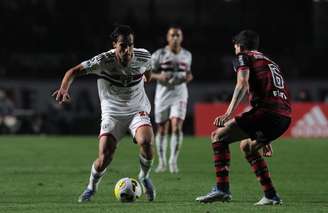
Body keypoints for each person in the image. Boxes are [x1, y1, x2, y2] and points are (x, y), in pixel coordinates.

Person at [52, 25, 156, 202]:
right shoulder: (102, 61)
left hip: (136, 110)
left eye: (130, 44)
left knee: (146, 141)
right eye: (123, 45)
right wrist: (63, 88)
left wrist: (146, 77)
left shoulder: (144, 55)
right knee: (105, 157)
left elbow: (148, 72)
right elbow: (73, 71)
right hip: (112, 113)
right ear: (115, 44)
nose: (128, 49)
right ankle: (91, 188)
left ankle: (144, 177)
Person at [195, 30, 291, 205]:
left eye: (235, 45)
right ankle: (270, 195)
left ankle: (222, 189)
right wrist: (265, 136)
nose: (234, 49)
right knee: (248, 146)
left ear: (240, 46)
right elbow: (273, 94)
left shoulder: (243, 57)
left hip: (267, 113)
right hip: (283, 117)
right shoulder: (269, 61)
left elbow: (242, 83)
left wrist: (229, 113)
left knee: (218, 136)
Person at [150, 26, 193, 173]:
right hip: (162, 94)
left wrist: (188, 77)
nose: (175, 38)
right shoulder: (159, 54)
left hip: (180, 93)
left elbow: (188, 73)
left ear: (182, 38)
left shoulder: (187, 55)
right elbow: (148, 74)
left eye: (178, 35)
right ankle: (161, 162)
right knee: (162, 128)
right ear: (168, 37)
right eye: (172, 35)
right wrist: (159, 76)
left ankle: (173, 162)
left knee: (176, 126)